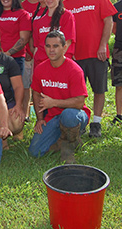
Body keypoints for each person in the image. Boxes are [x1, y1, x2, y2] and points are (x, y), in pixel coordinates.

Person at [63, 0, 117, 138]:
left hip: (96, 53)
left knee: (99, 89)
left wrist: (103, 45)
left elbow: (108, 22)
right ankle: (81, 121)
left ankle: (97, 122)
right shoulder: (66, 4)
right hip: (75, 55)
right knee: (77, 92)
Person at [28, 31, 91, 164]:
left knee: (68, 116)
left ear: (64, 47)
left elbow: (80, 102)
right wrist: (40, 119)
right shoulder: (40, 69)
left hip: (75, 114)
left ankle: (69, 146)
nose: (51, 50)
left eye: (56, 46)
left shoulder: (74, 70)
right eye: (48, 46)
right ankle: (62, 140)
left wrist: (53, 103)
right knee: (35, 151)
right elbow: (36, 93)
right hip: (53, 117)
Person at [0, 0, 31, 73]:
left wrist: (7, 54)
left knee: (15, 86)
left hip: (16, 59)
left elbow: (24, 39)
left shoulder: (22, 14)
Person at [32, 0, 75, 68]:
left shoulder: (66, 16)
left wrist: (55, 63)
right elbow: (37, 47)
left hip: (59, 64)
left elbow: (68, 42)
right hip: (41, 64)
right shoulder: (40, 21)